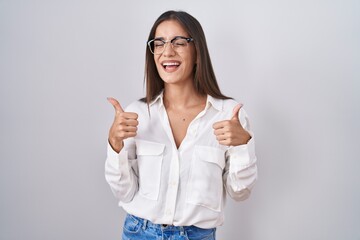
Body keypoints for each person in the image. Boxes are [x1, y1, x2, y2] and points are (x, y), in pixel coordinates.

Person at [105, 10, 257, 240]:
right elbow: (124, 192)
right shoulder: (137, 114)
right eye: (159, 43)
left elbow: (240, 192)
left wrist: (243, 145)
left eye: (179, 42)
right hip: (138, 233)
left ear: (198, 52)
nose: (167, 51)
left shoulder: (228, 115)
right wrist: (114, 143)